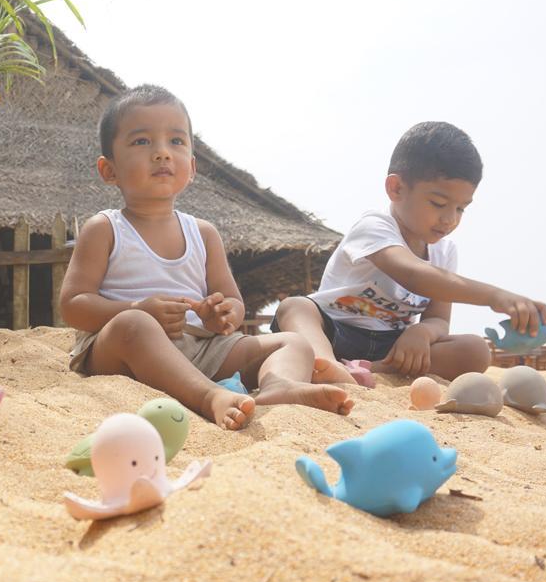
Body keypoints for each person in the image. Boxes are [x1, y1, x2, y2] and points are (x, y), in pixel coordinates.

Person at [59, 85, 354, 430]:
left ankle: (278, 385)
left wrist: (222, 315)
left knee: (293, 342)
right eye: (142, 142)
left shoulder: (203, 233)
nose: (162, 153)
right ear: (109, 170)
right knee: (134, 327)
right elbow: (72, 305)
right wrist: (136, 310)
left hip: (203, 347)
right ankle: (208, 396)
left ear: (193, 167)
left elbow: (233, 301)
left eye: (176, 141)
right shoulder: (106, 228)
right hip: (124, 350)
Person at [272, 121, 546, 385]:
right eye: (438, 203)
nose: (450, 219)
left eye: (461, 208)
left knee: (475, 350)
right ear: (396, 188)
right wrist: (495, 296)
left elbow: (439, 319)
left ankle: (371, 372)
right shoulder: (374, 226)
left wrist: (422, 332)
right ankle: (326, 364)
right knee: (296, 307)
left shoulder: (444, 251)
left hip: (392, 345)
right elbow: (413, 275)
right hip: (334, 331)